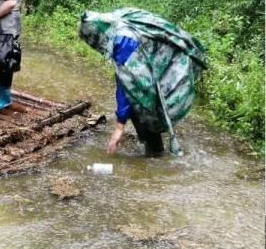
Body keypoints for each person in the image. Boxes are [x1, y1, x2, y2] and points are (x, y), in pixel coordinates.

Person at [79, 8, 206, 157]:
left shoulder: (122, 42)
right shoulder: (120, 18)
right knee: (138, 104)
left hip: (169, 69)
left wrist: (120, 127)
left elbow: (129, 87)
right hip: (167, 63)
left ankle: (155, 155)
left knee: (140, 106)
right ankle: (152, 146)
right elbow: (125, 75)